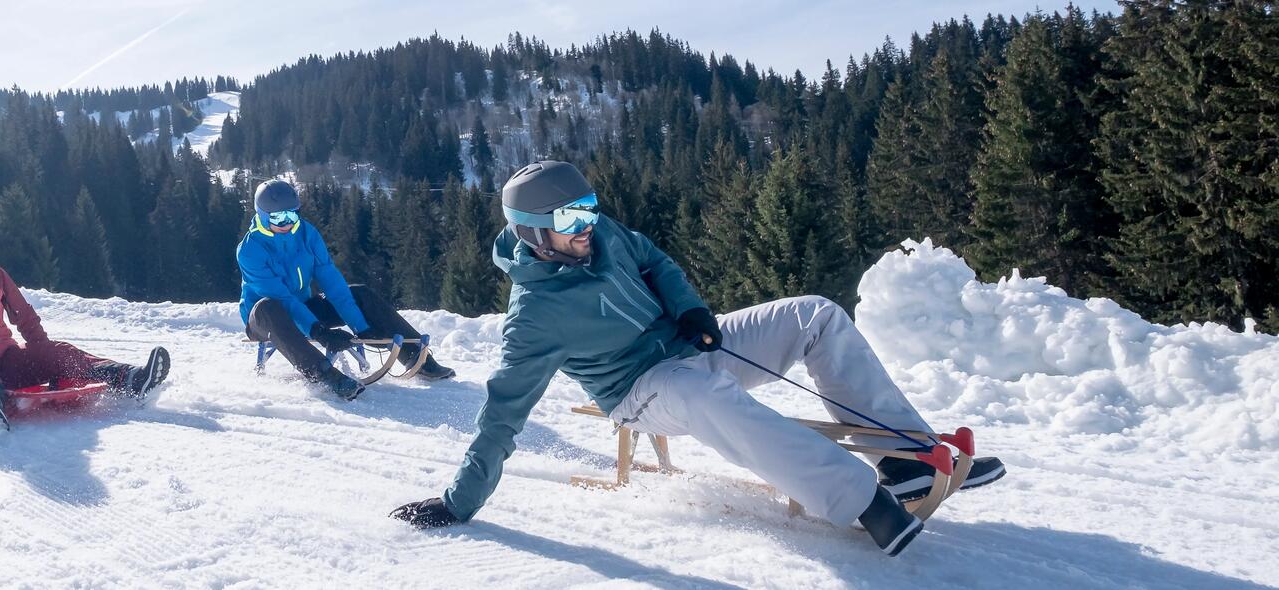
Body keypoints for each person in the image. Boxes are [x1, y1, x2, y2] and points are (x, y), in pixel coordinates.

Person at [389, 161, 1006, 556]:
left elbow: (654, 259)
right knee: (707, 398)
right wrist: (457, 501)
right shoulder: (533, 319)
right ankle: (863, 501)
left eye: (590, 208)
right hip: (640, 392)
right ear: (532, 232)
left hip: (687, 345)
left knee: (813, 313)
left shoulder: (599, 235)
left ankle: (908, 459)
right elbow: (502, 415)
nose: (587, 225)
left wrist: (691, 310)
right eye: (571, 218)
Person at [0, 216, 170, 432]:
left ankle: (131, 379)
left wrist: (46, 357)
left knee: (60, 352)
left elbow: (24, 316)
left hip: (6, 358)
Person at [238, 179, 454, 400]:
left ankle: (418, 357)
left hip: (304, 307)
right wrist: (318, 332)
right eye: (278, 218)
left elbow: (331, 280)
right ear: (263, 216)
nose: (287, 223)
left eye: (292, 215)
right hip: (264, 319)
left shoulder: (306, 234)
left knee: (359, 293)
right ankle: (326, 375)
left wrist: (360, 326)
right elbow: (282, 298)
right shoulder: (249, 251)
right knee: (268, 307)